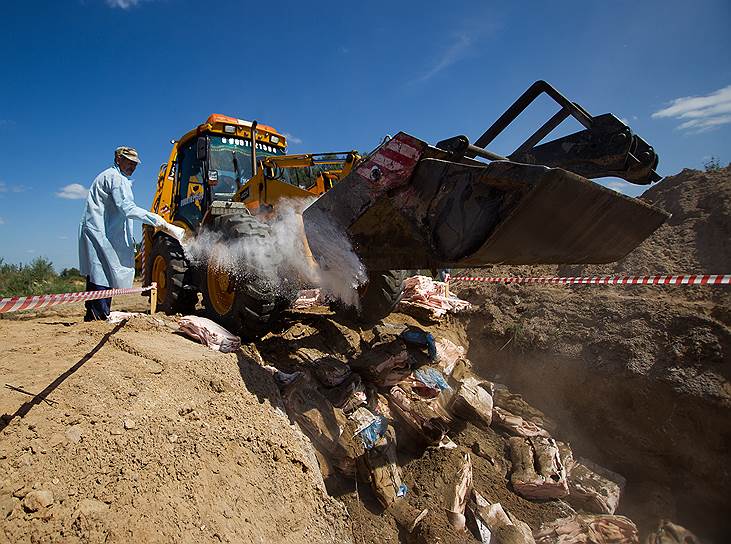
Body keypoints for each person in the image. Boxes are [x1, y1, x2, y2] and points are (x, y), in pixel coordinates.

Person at [78, 146, 178, 321]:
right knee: (102, 273)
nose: (133, 166)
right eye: (129, 162)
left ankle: (93, 314)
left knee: (98, 272)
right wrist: (156, 219)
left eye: (135, 164)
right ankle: (98, 315)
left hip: (102, 231)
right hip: (101, 233)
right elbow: (127, 208)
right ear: (118, 159)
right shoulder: (116, 179)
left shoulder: (111, 176)